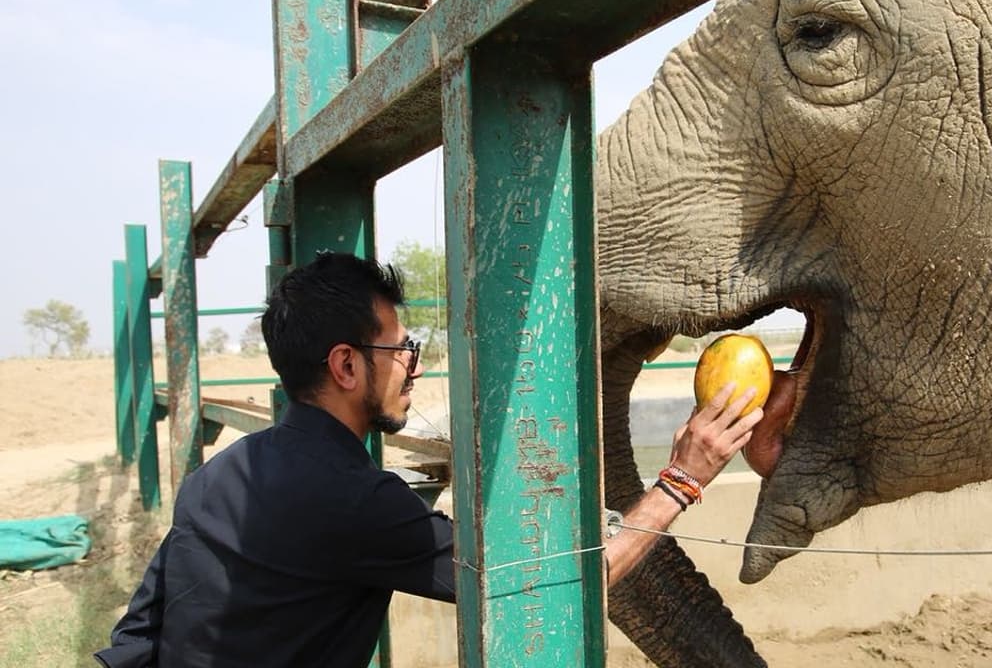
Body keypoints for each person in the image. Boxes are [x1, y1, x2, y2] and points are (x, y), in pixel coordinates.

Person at [95, 252, 759, 667]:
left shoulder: (219, 474)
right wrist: (681, 479)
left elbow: (138, 636)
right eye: (401, 348)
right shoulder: (356, 501)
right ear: (346, 365)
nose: (415, 364)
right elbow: (553, 585)